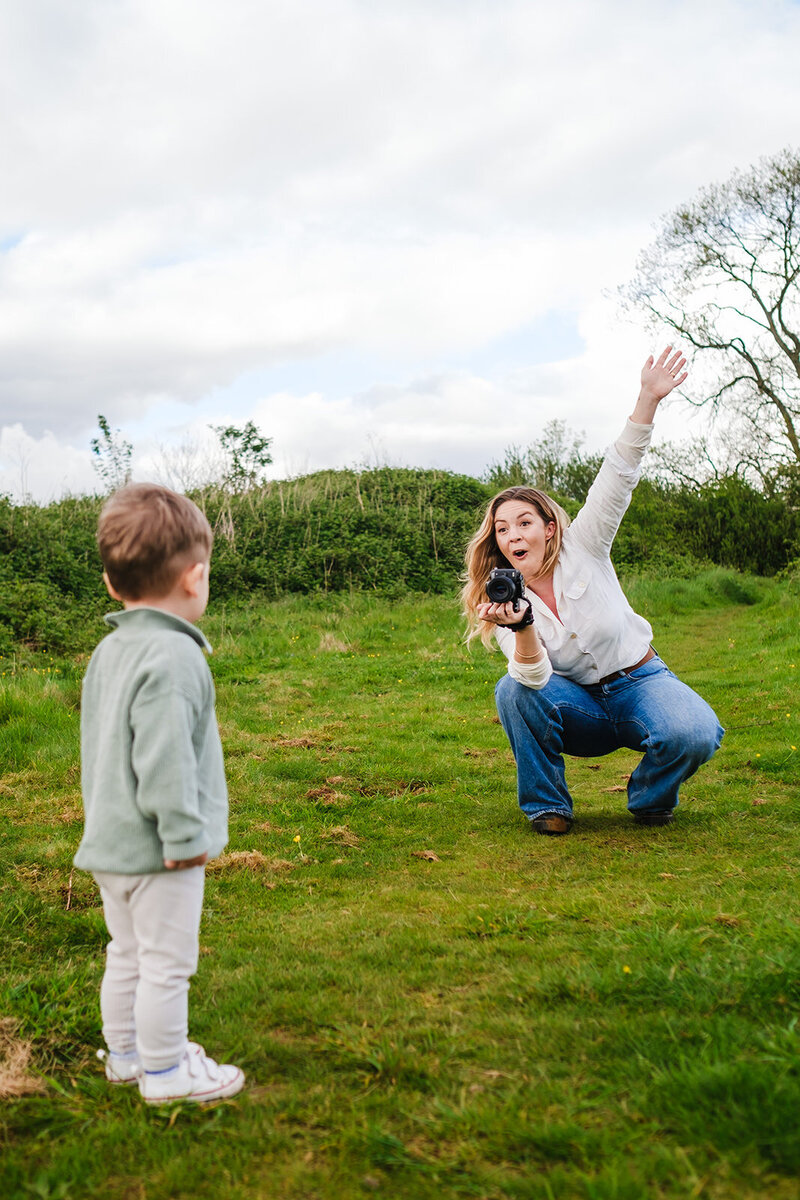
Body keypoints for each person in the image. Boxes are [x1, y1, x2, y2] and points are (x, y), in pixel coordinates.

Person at [462, 347, 724, 836]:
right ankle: (548, 806)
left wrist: (647, 399)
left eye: (524, 522)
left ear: (548, 527)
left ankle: (649, 798)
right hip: (576, 704)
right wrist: (521, 626)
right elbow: (533, 681)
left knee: (694, 733)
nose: (514, 535)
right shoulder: (499, 600)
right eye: (502, 529)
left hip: (640, 682)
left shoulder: (584, 544)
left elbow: (618, 475)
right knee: (511, 688)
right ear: (495, 541)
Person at [74, 483, 245, 1103]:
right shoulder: (176, 657)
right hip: (159, 847)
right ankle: (168, 1072)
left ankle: (125, 1056)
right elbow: (164, 758)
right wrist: (182, 836)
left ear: (111, 583)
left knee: (127, 952)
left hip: (111, 842)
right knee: (168, 962)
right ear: (195, 578)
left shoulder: (110, 650)